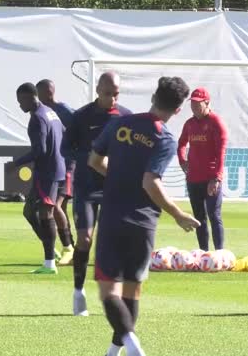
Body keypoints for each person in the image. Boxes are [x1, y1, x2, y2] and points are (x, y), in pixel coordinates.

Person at [88, 76, 200, 356]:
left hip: (113, 217)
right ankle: (114, 351)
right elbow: (150, 182)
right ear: (178, 110)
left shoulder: (119, 123)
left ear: (153, 97)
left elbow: (94, 161)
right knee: (131, 291)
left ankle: (134, 348)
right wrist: (177, 214)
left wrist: (118, 175)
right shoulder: (164, 138)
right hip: (144, 223)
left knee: (107, 293)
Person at [62, 72, 132, 316]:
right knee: (85, 240)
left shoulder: (127, 117)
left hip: (115, 189)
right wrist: (84, 160)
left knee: (116, 243)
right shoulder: (81, 117)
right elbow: (65, 148)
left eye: (116, 94)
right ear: (98, 91)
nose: (112, 99)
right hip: (86, 188)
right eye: (107, 94)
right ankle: (78, 291)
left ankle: (115, 296)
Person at [7, 83, 65, 274]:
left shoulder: (38, 119)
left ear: (30, 97)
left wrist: (16, 163)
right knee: (29, 211)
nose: (19, 105)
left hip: (47, 172)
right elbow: (63, 134)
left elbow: (40, 151)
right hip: (57, 168)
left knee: (45, 214)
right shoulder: (50, 112)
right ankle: (51, 250)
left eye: (20, 100)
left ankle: (49, 263)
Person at [177, 87, 228, 251]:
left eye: (198, 103)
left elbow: (221, 153)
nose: (194, 106)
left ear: (207, 103)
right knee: (199, 218)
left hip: (210, 179)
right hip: (193, 179)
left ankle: (219, 253)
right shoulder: (190, 124)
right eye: (192, 103)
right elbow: (181, 144)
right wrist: (182, 161)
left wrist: (216, 178)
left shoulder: (216, 123)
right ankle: (203, 254)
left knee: (214, 216)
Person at [36, 79, 75, 266]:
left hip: (68, 164)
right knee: (59, 207)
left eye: (39, 92)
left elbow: (79, 129)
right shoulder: (45, 112)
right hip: (57, 164)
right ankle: (69, 246)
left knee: (56, 206)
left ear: (47, 93)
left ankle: (69, 248)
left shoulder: (63, 110)